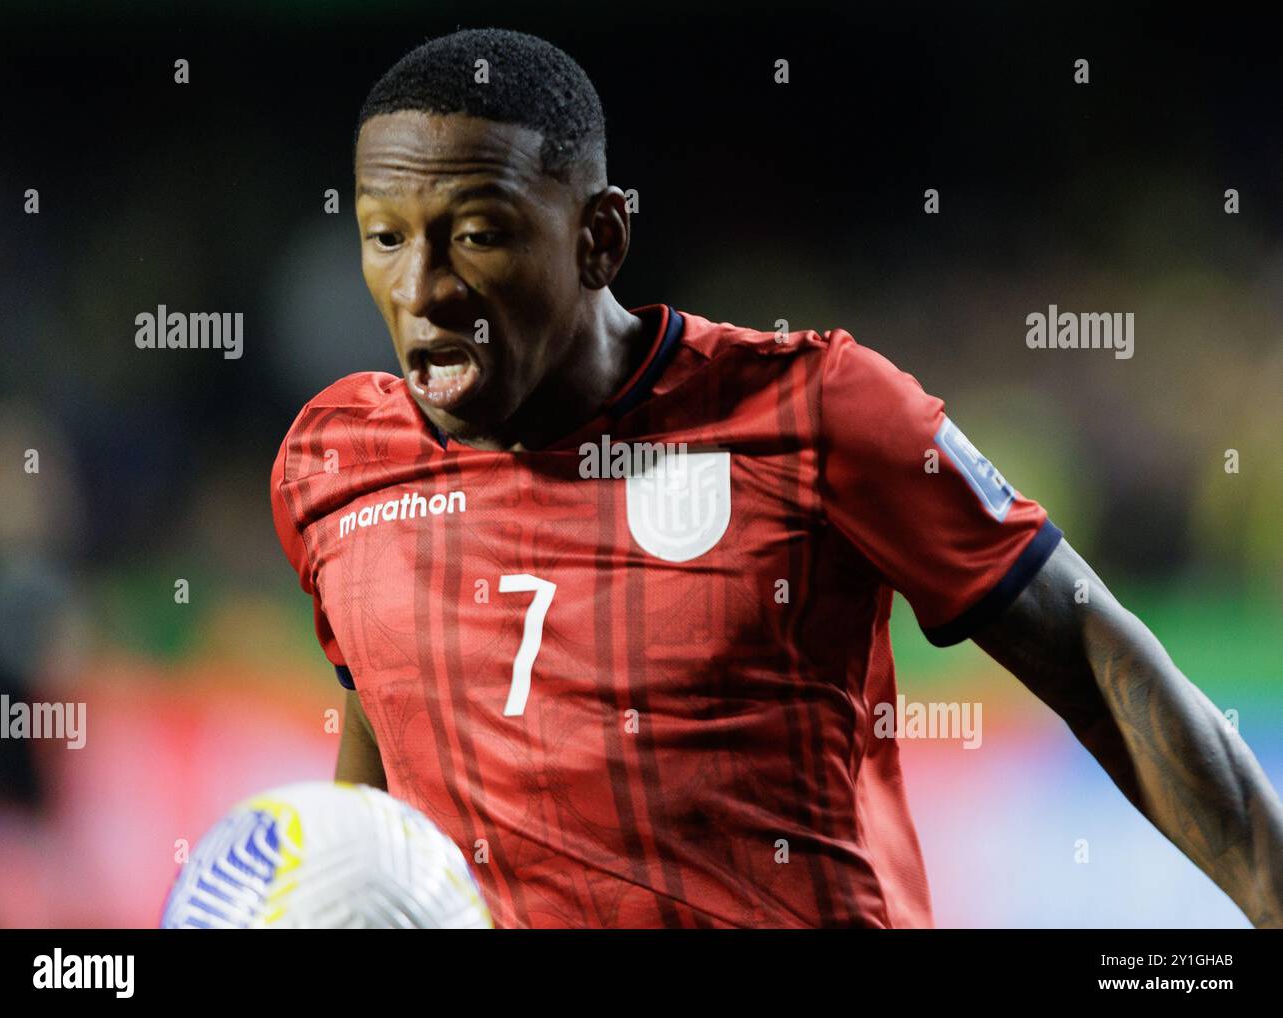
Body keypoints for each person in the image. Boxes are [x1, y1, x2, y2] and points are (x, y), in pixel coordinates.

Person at [272, 27, 1282, 928]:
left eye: (478, 235)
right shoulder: (334, 466)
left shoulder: (819, 412)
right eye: (385, 235)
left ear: (600, 237)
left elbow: (1101, 665)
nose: (423, 289)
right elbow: (390, 761)